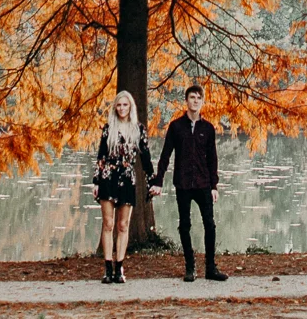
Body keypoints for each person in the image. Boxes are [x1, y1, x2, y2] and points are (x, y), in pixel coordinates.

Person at [149, 84, 227, 282]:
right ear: (186, 100)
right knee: (184, 225)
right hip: (183, 184)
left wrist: (214, 186)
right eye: (192, 97)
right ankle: (190, 267)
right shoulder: (176, 127)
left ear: (202, 102)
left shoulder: (208, 129)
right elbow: (165, 155)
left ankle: (210, 268)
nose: (195, 101)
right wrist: (158, 181)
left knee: (209, 224)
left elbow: (213, 159)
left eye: (199, 98)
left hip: (203, 183)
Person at [92, 90, 142, 283]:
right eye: (119, 105)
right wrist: (96, 181)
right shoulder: (108, 129)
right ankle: (107, 268)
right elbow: (101, 156)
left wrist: (153, 180)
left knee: (123, 225)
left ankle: (119, 268)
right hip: (108, 177)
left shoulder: (138, 129)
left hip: (127, 179)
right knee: (108, 223)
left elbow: (145, 156)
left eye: (125, 105)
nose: (122, 108)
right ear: (115, 108)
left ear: (131, 107)